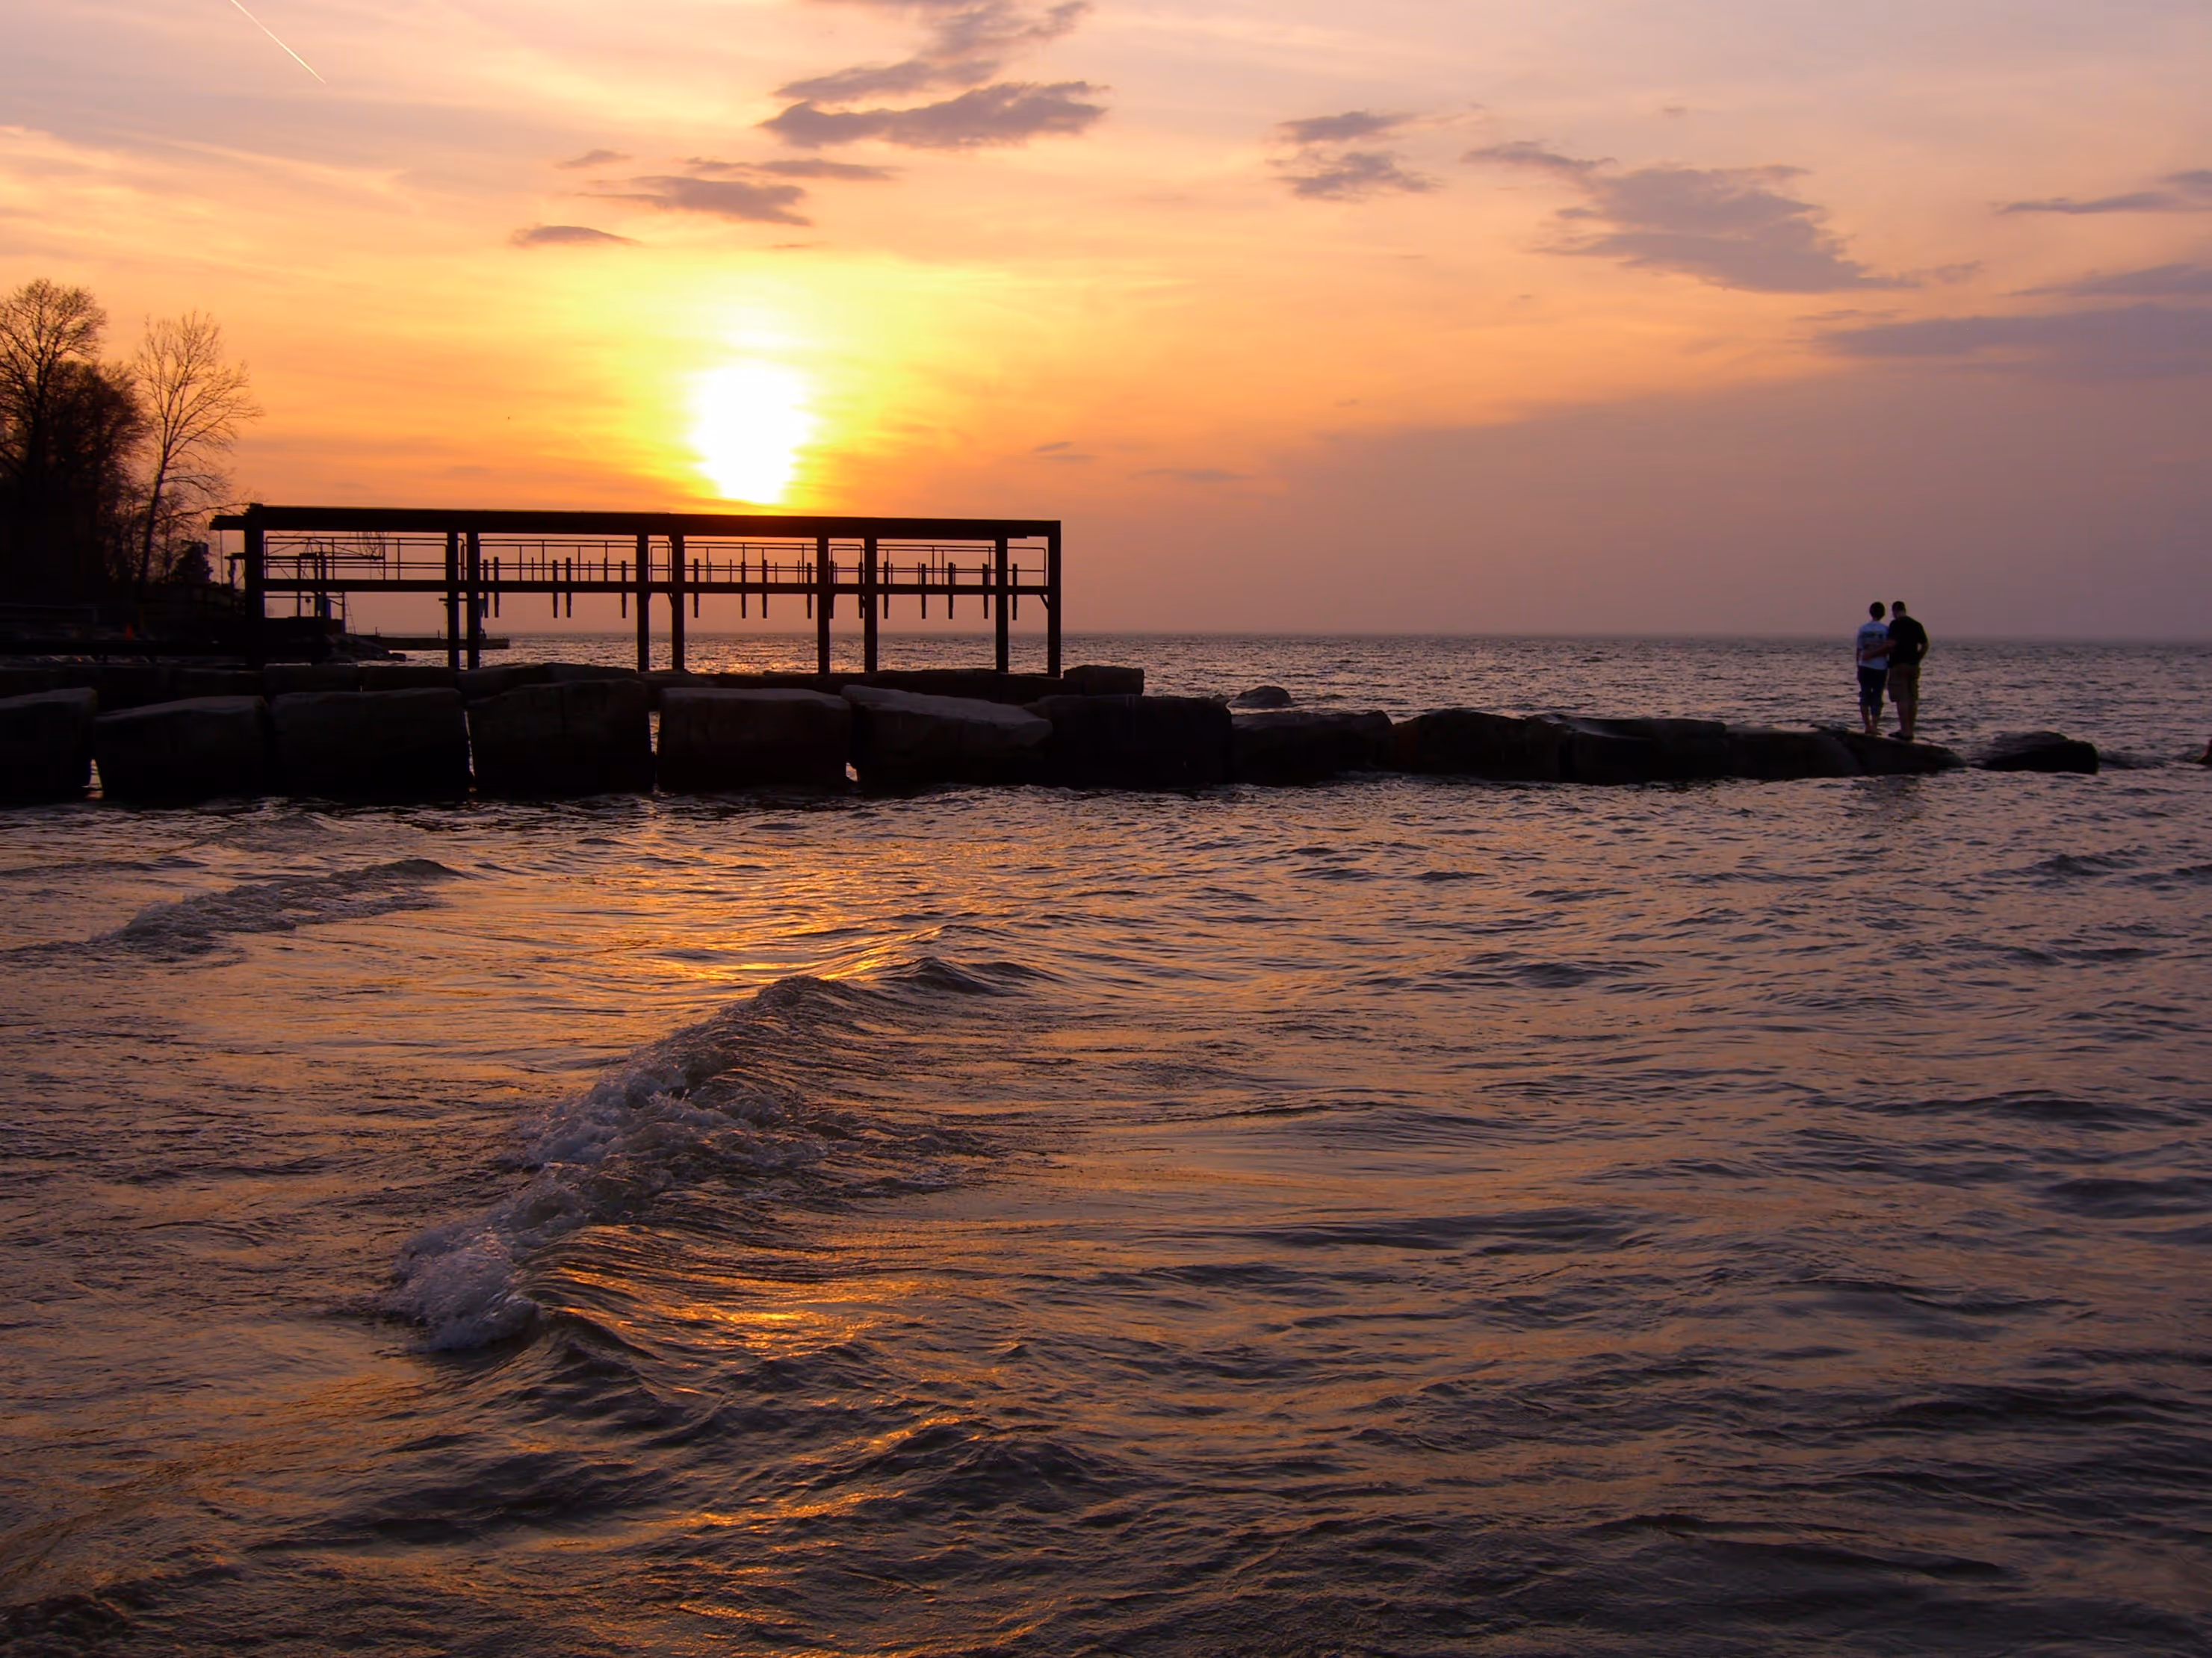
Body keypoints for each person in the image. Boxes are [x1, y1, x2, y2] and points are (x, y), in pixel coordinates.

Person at [1884, 600, 1930, 742]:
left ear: (1894, 611)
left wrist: (1877, 653)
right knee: (1912, 697)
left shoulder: (1895, 624)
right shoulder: (1916, 624)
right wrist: (1918, 659)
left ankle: (1905, 731)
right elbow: (1925, 645)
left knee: (1902, 698)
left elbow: (1892, 643)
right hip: (1913, 665)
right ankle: (1910, 729)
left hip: (1899, 664)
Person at [1854, 601, 1889, 736]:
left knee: (1864, 695)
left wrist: (1858, 666)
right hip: (1880, 667)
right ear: (1883, 614)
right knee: (1877, 696)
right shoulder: (1886, 630)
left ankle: (1867, 726)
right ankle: (1874, 726)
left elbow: (1859, 649)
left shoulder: (1863, 629)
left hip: (1865, 666)